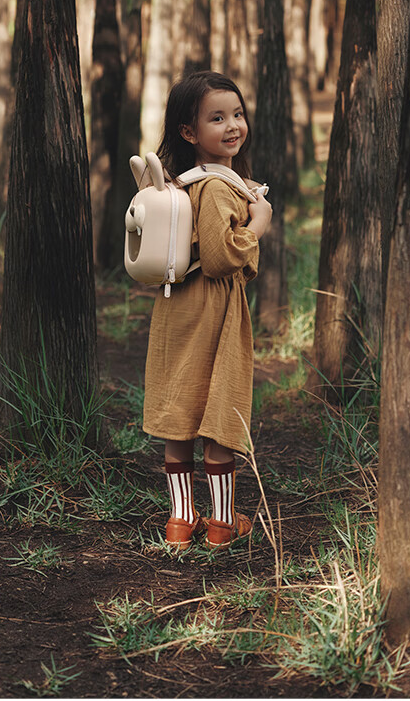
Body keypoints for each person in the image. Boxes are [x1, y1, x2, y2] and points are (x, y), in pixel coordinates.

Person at [142, 70, 272, 551]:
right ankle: (220, 523)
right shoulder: (218, 188)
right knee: (219, 401)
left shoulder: (191, 181)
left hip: (178, 308)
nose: (233, 125)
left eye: (237, 114)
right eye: (217, 118)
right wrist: (258, 224)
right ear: (189, 132)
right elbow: (221, 258)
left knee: (181, 403)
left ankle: (180, 521)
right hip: (213, 308)